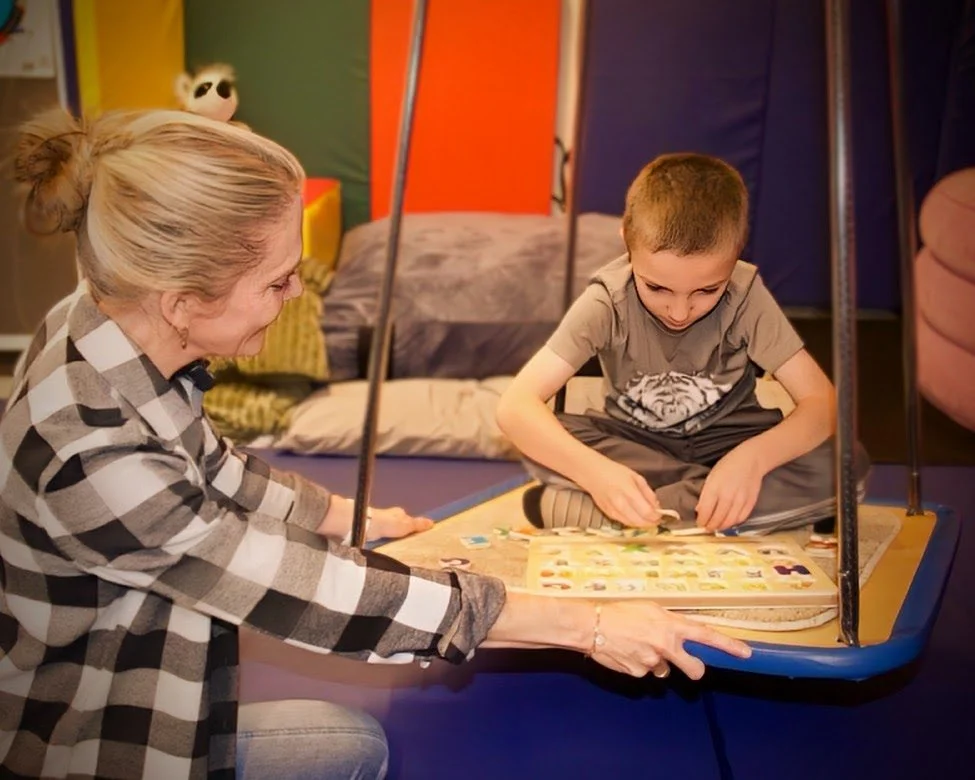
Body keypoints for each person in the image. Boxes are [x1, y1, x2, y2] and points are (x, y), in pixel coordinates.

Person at [0, 110, 751, 780]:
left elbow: (212, 469)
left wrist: (357, 519)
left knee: (354, 744)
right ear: (183, 302)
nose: (297, 295)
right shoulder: (89, 458)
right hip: (93, 741)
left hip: (157, 686)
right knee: (357, 746)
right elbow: (303, 591)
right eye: (277, 281)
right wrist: (585, 625)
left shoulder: (105, 317)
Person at [497, 153, 870, 536]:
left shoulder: (747, 296)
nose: (679, 311)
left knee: (848, 463)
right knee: (541, 437)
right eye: (657, 287)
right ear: (627, 242)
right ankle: (716, 506)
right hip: (637, 448)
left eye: (707, 290)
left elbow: (824, 404)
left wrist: (751, 462)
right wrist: (597, 473)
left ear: (737, 253)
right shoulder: (605, 301)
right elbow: (514, 407)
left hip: (732, 444)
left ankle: (633, 513)